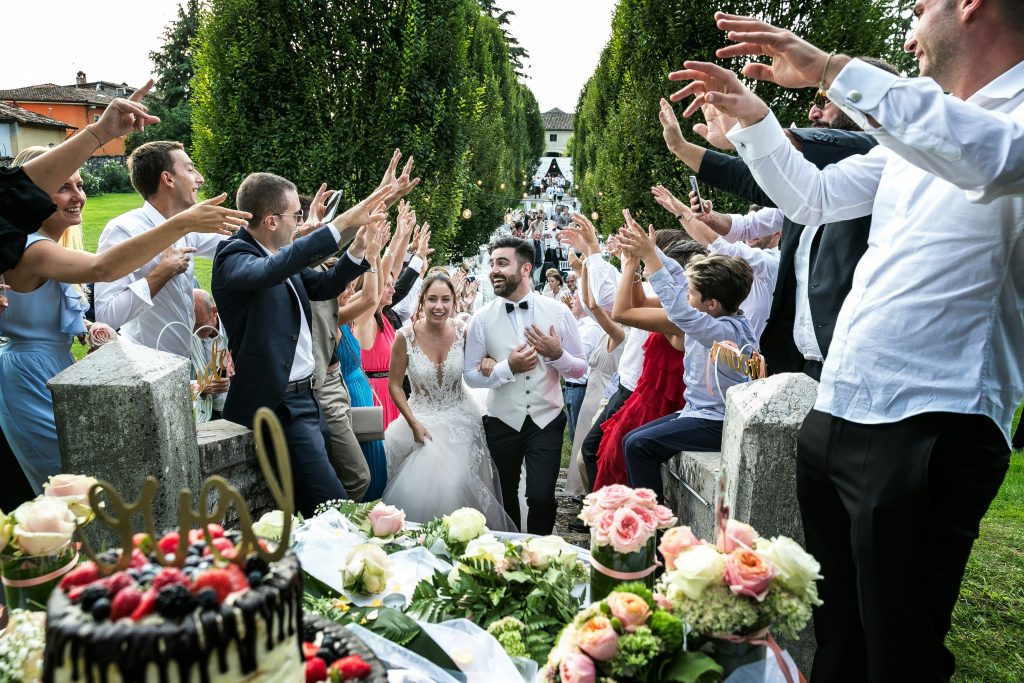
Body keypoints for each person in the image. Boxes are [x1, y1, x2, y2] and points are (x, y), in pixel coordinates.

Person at [667, 6, 1024, 679]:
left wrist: (832, 70)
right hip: (838, 412)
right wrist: (755, 123)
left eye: (921, 6)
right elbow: (814, 197)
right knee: (837, 645)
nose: (912, 23)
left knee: (898, 655)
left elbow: (988, 159)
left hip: (933, 423)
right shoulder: (914, 133)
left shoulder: (1000, 125)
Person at [0, 166, 248, 498]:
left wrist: (88, 330)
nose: (79, 196)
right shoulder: (32, 248)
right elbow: (104, 269)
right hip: (28, 377)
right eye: (63, 187)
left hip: (60, 370)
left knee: (88, 482)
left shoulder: (53, 247)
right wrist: (181, 226)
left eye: (81, 185)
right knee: (70, 486)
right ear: (34, 194)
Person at [213, 153, 417, 515]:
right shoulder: (235, 255)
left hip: (309, 399)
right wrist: (340, 224)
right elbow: (270, 271)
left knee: (312, 506)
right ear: (272, 220)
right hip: (279, 407)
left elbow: (325, 284)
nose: (300, 223)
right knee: (332, 506)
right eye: (295, 216)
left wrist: (357, 247)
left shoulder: (279, 254)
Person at [617, 216, 756, 500]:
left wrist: (650, 258)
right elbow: (680, 285)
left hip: (716, 422)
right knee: (630, 439)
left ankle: (653, 528)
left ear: (711, 304)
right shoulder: (717, 316)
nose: (686, 298)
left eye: (692, 295)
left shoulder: (722, 331)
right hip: (698, 412)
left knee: (638, 446)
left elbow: (680, 311)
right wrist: (652, 253)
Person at [464, 236, 587, 534]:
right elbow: (469, 375)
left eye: (502, 263)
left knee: (542, 498)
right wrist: (508, 367)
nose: (494, 269)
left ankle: (540, 555)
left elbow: (581, 370)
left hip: (546, 420)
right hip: (501, 421)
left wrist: (557, 356)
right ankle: (510, 557)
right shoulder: (481, 319)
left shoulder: (558, 312)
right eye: (492, 263)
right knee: (505, 497)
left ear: (525, 269)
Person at [382, 273, 513, 528]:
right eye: (432, 299)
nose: (438, 306)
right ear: (422, 301)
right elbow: (395, 385)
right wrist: (413, 423)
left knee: (455, 485)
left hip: (462, 418)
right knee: (420, 489)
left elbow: (483, 362)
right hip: (420, 419)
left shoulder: (465, 331)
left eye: (445, 299)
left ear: (454, 302)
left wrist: (489, 361)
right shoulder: (404, 337)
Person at [95, 140, 225, 357]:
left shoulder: (187, 226)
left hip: (183, 364)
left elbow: (235, 244)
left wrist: (292, 230)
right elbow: (107, 316)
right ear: (168, 179)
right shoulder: (123, 230)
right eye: (191, 169)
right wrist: (162, 273)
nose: (199, 179)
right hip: (144, 365)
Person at [562, 255, 625, 497]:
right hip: (593, 395)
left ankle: (593, 504)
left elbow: (594, 306)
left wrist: (590, 256)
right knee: (582, 448)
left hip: (602, 396)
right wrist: (582, 270)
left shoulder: (619, 333)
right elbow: (591, 304)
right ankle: (585, 502)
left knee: (588, 453)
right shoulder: (606, 333)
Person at [190, 289, 230, 423]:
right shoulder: (186, 336)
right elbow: (176, 383)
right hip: (207, 415)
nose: (195, 331)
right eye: (192, 325)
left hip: (239, 410)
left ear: (214, 312)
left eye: (199, 325)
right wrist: (203, 387)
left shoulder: (235, 328)